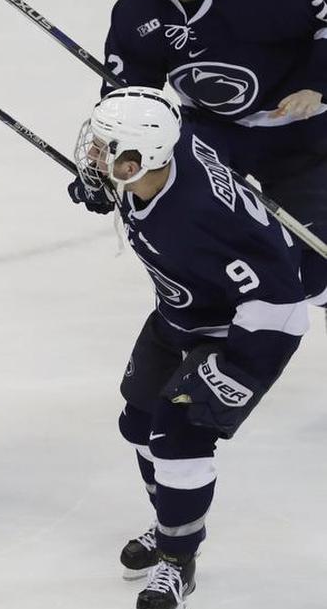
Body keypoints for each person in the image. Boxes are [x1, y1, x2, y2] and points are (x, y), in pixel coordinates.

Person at [71, 86, 318, 609]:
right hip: (182, 312)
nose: (93, 155)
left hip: (247, 327)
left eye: (105, 148)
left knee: (179, 438)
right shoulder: (163, 150)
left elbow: (280, 298)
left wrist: (239, 371)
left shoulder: (197, 216)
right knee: (137, 424)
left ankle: (178, 561)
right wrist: (103, 186)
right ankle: (170, 528)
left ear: (142, 157)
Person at [88, 0, 327, 306]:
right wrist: (105, 165)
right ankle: (204, 319)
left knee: (314, 276)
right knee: (181, 209)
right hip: (212, 130)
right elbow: (128, 101)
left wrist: (319, 84)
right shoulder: (135, 12)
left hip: (298, 131)